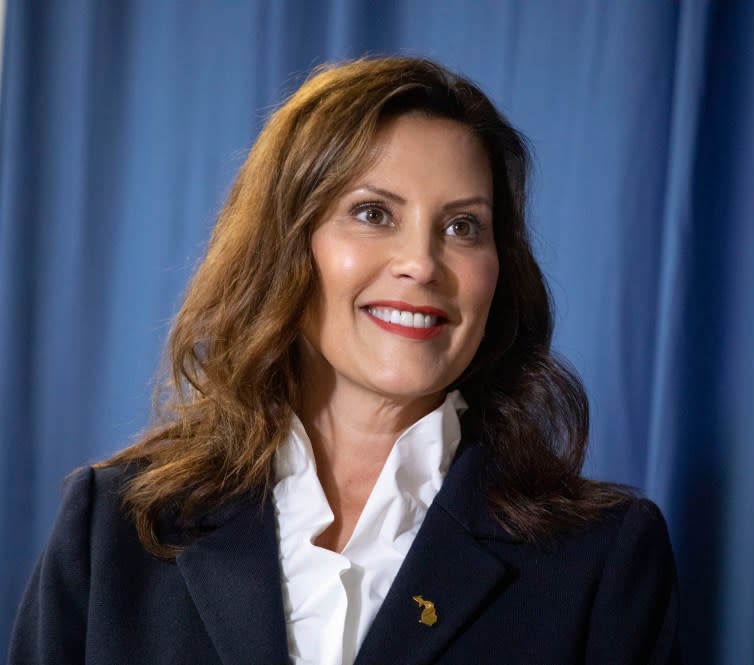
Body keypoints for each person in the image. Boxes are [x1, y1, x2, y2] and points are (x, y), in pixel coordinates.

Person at [9, 57, 680, 664]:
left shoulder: (600, 559)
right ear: (285, 245)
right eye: (373, 213)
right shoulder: (116, 527)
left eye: (462, 226)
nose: (421, 262)